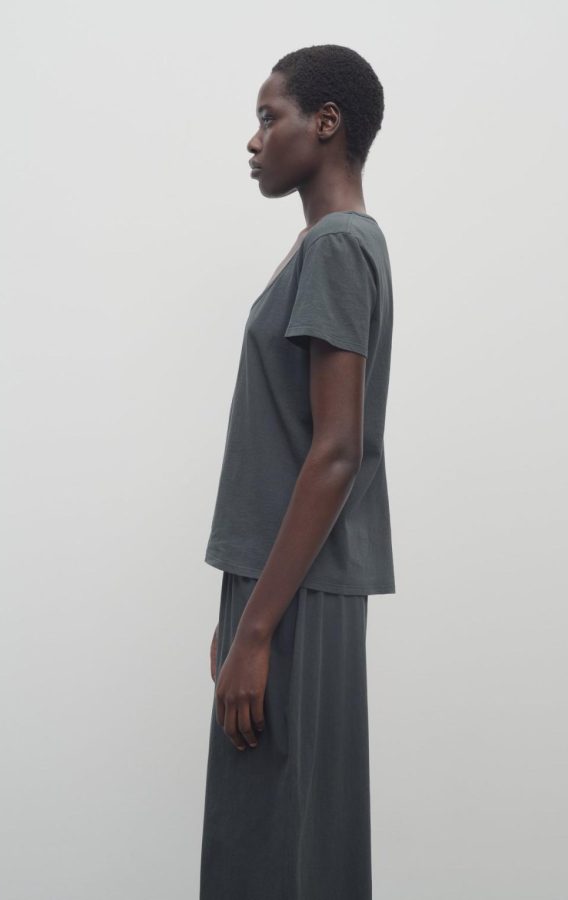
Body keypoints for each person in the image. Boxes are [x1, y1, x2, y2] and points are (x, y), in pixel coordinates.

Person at [199, 44, 395, 900]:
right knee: (281, 842)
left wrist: (255, 631)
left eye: (267, 116)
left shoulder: (338, 248)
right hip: (284, 581)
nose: (253, 140)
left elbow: (337, 449)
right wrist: (240, 611)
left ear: (326, 123)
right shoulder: (328, 245)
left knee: (278, 854)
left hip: (295, 592)